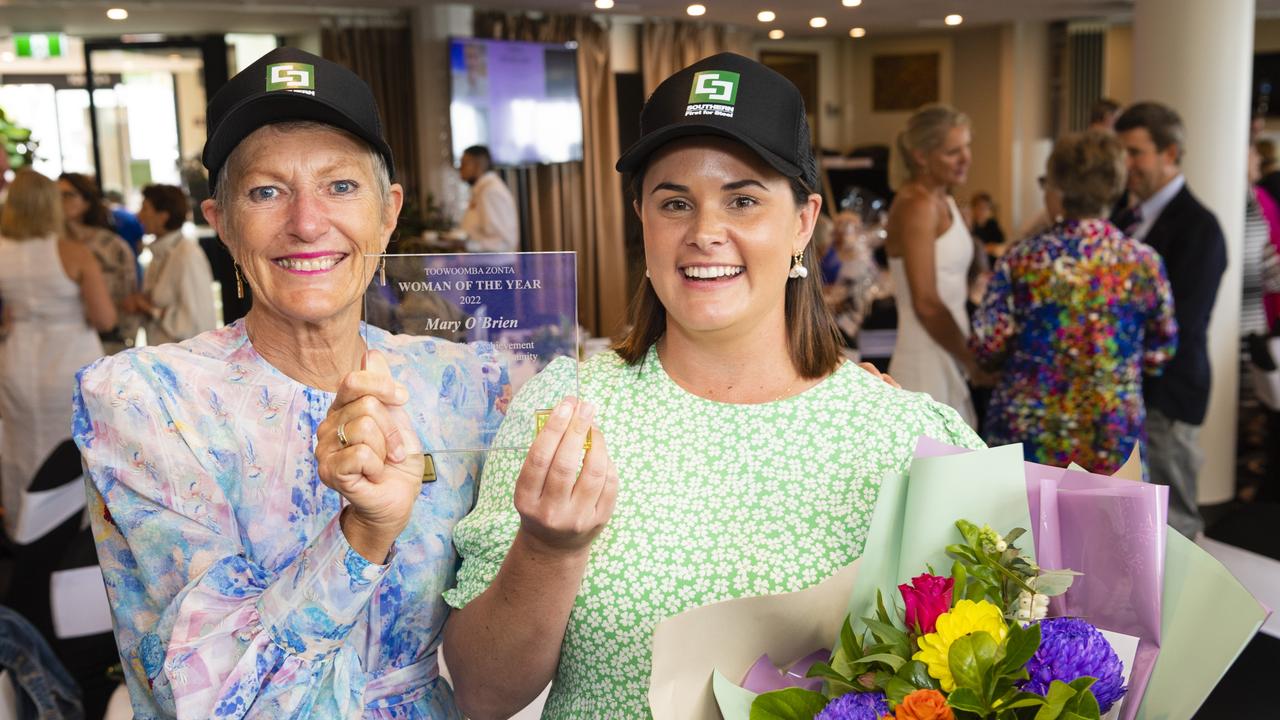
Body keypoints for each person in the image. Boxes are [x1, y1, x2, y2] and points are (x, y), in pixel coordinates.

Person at [440, 52, 982, 719]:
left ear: (803, 222)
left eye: (743, 199)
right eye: (675, 202)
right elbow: (483, 694)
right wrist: (548, 550)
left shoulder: (910, 440)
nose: (704, 233)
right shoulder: (565, 414)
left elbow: (989, 673)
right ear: (642, 217)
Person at [72, 47, 506, 719]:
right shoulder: (146, 400)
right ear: (221, 223)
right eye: (266, 191)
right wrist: (363, 534)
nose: (306, 223)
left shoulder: (467, 386)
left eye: (340, 186)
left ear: (388, 213)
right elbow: (215, 696)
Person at [971, 131, 1177, 473]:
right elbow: (1160, 351)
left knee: (1027, 525)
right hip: (1110, 434)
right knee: (1109, 526)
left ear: (1058, 190)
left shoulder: (1023, 260)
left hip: (1032, 433)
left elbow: (986, 344)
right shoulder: (1142, 262)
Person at [0, 170, 117, 714]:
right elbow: (105, 315)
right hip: (67, 360)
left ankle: (25, 554)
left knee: (23, 457)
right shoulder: (70, 250)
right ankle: (79, 564)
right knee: (77, 462)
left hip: (19, 361)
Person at [1112, 102, 1227, 538]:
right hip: (1126, 396)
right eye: (1121, 152)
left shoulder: (1201, 228)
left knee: (1174, 523)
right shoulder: (1124, 217)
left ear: (1170, 153)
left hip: (1168, 394)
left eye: (1135, 152)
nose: (1126, 165)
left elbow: (1183, 322)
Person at [884, 104, 990, 428]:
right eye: (952, 152)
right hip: (926, 359)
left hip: (949, 351)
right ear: (921, 156)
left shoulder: (943, 200)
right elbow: (927, 303)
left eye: (967, 147)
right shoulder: (917, 204)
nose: (966, 158)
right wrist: (973, 364)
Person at [123, 184, 217, 344]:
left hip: (184, 362)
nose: (139, 216)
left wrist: (149, 308)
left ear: (163, 216)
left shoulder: (187, 254)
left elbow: (198, 323)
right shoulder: (159, 254)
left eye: (145, 209)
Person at [59, 172, 138, 353]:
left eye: (68, 195)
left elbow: (129, 295)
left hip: (108, 341)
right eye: (55, 195)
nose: (60, 201)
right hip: (63, 342)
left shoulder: (111, 245)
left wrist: (125, 341)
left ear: (86, 201)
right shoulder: (49, 247)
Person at [458, 145, 519, 253]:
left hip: (493, 267)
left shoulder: (491, 191)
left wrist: (467, 246)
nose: (460, 168)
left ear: (479, 165)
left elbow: (504, 242)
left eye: (464, 163)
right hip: (484, 264)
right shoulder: (482, 190)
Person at [969, 191, 1006, 263]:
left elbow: (1000, 244)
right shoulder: (970, 225)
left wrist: (990, 248)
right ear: (973, 208)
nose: (983, 211)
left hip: (992, 261)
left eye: (986, 207)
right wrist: (986, 248)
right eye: (980, 207)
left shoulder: (992, 224)